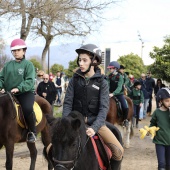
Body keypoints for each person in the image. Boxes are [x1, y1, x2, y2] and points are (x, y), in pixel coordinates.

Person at [63, 44, 124, 164]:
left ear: (94, 61)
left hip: (96, 124)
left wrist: (94, 128)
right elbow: (67, 103)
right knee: (51, 148)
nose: (81, 63)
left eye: (84, 60)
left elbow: (103, 108)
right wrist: (66, 122)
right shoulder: (74, 80)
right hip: (75, 123)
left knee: (119, 152)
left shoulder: (102, 82)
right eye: (80, 60)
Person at [0, 38, 36, 143]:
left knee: (27, 108)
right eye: (14, 51)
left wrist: (18, 88)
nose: (16, 53)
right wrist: (0, 87)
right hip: (8, 93)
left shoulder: (28, 65)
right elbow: (1, 78)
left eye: (18, 50)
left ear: (24, 51)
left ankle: (32, 132)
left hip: (25, 93)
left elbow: (29, 81)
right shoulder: (7, 65)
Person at [149, 88, 170, 170]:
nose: (169, 103)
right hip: (159, 142)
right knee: (161, 164)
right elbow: (152, 124)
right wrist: (150, 130)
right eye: (167, 101)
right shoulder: (157, 112)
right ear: (160, 101)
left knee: (168, 164)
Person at [107, 61, 129, 127]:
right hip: (110, 94)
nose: (109, 70)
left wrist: (113, 93)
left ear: (115, 69)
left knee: (125, 107)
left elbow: (119, 87)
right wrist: (108, 92)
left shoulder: (120, 77)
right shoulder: (109, 76)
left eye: (111, 68)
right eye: (109, 68)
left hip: (119, 94)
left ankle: (125, 120)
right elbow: (107, 85)